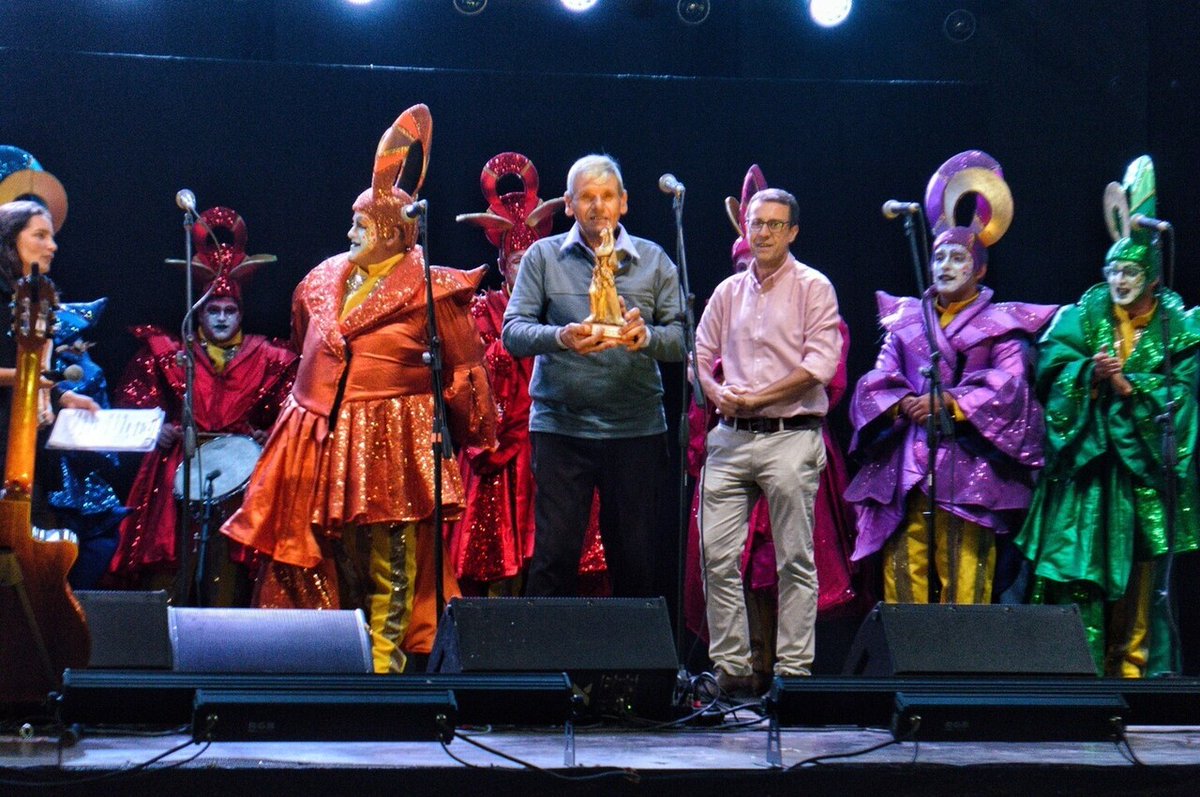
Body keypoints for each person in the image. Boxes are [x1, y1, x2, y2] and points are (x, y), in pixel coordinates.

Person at [222, 104, 496, 673]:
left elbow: (466, 370)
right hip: (320, 439)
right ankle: (326, 672)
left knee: (390, 566)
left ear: (394, 231)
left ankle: (386, 677)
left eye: (361, 226)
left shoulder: (432, 289)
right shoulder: (319, 281)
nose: (349, 234)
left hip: (392, 439)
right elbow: (305, 345)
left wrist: (476, 435)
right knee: (319, 560)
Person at [845, 151, 1057, 607]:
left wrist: (949, 403)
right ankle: (908, 672)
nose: (944, 266)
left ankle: (962, 674)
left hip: (969, 465)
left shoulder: (1001, 324)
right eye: (939, 257)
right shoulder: (905, 319)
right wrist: (903, 403)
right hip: (908, 463)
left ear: (979, 268)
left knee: (965, 578)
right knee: (903, 571)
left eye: (957, 258)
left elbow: (1012, 387)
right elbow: (876, 378)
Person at [1015, 156, 1200, 677]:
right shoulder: (1082, 315)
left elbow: (1183, 396)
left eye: (1131, 271)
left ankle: (1135, 675)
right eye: (1114, 270)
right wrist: (1088, 377)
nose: (1120, 280)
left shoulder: (1179, 327)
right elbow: (1051, 369)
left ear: (1152, 277)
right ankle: (1076, 673)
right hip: (1089, 477)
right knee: (1078, 574)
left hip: (1140, 477)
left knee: (1141, 579)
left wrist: (1129, 384)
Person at [683, 166, 859, 684]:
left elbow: (819, 368)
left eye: (773, 225)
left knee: (794, 562)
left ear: (792, 232)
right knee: (715, 555)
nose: (761, 233)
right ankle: (733, 669)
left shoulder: (813, 288)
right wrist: (717, 395)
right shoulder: (727, 292)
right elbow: (700, 352)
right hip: (732, 438)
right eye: (755, 224)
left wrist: (756, 397)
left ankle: (793, 672)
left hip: (790, 437)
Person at [502, 153, 684, 598]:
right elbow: (513, 331)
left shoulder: (654, 261)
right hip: (562, 428)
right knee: (554, 557)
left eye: (607, 197)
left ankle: (637, 669)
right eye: (586, 197)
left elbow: (683, 339)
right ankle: (545, 667)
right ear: (568, 204)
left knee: (637, 559)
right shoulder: (543, 257)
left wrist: (647, 337)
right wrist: (561, 336)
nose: (597, 206)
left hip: (635, 428)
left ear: (624, 203)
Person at [109, 206, 297, 606]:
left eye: (230, 311)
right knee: (169, 574)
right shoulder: (168, 353)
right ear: (199, 312)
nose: (223, 318)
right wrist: (154, 427)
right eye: (214, 309)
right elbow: (131, 405)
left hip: (241, 477)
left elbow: (293, 410)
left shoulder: (270, 356)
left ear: (241, 312)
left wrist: (270, 433)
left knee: (227, 579)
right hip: (177, 470)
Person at [452, 151, 607, 596]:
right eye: (516, 259)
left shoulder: (568, 305)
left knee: (556, 557)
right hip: (498, 448)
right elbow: (469, 381)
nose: (524, 267)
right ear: (503, 263)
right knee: (496, 563)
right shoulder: (480, 313)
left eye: (531, 259)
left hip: (557, 437)